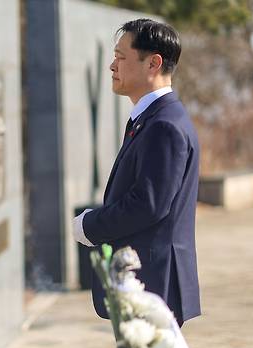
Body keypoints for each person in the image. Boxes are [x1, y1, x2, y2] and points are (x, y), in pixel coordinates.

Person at [72, 18, 201, 327]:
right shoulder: (153, 119)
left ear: (153, 63)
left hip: (152, 285)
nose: (112, 66)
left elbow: (148, 204)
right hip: (148, 283)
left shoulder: (164, 125)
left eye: (121, 57)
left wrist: (90, 225)